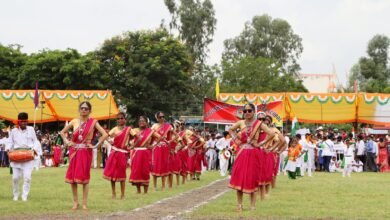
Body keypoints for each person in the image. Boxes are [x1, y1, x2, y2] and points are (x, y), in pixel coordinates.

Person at [60, 101, 108, 210]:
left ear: (90, 110)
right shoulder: (74, 121)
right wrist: (67, 142)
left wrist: (96, 145)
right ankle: (75, 202)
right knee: (73, 178)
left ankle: (85, 203)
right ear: (79, 109)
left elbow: (105, 134)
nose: (84, 110)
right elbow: (62, 132)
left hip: (86, 152)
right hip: (74, 151)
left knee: (84, 177)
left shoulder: (93, 122)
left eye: (86, 108)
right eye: (82, 108)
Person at [228, 104, 277, 211]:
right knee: (239, 178)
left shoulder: (259, 124)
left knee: (253, 178)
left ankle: (252, 206)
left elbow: (272, 134)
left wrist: (261, 143)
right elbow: (230, 130)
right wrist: (235, 140)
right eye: (244, 111)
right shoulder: (240, 123)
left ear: (253, 112)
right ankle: (239, 205)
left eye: (249, 111)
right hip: (242, 153)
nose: (246, 113)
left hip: (254, 154)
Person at [6, 112, 41, 201]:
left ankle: (24, 195)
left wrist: (34, 149)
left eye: (25, 121)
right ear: (18, 122)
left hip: (28, 156)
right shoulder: (13, 131)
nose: (24, 123)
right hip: (16, 156)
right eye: (22, 121)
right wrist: (8, 149)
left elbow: (36, 141)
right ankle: (15, 195)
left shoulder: (31, 129)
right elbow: (10, 142)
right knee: (15, 178)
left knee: (27, 178)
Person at [103, 112, 134, 199]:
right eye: (118, 119)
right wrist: (110, 141)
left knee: (122, 173)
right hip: (114, 152)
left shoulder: (129, 129)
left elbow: (137, 137)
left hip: (123, 154)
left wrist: (131, 146)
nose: (120, 120)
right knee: (112, 173)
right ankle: (113, 193)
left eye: (122, 118)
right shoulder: (114, 129)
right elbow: (106, 136)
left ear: (125, 119)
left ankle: (123, 194)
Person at [129, 116, 160, 194]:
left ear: (147, 122)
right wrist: (130, 144)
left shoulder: (150, 131)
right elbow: (128, 137)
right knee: (136, 171)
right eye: (140, 121)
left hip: (145, 153)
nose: (141, 122)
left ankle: (145, 191)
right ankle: (138, 190)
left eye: (143, 121)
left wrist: (153, 145)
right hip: (136, 153)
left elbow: (160, 137)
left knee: (145, 171)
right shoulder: (134, 130)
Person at [151, 111, 174, 191]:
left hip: (165, 148)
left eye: (163, 117)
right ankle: (154, 186)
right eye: (160, 117)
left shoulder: (168, 126)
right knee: (156, 165)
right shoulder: (154, 126)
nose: (162, 118)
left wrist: (170, 145)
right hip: (156, 147)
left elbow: (171, 137)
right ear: (157, 118)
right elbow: (151, 137)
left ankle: (163, 186)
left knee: (164, 165)